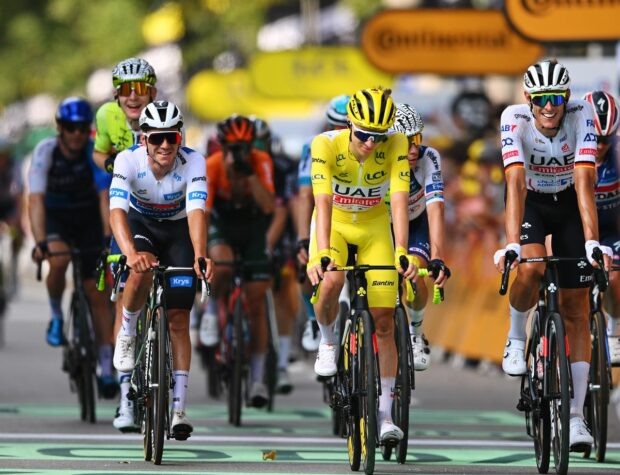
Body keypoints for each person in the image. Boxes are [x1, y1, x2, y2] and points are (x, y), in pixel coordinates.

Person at [494, 60, 612, 451]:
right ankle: (515, 335)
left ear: (566, 97)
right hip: (530, 202)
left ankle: (576, 417)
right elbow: (514, 183)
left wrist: (592, 240)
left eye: (556, 98)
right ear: (529, 98)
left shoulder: (582, 116)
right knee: (530, 269)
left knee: (576, 306)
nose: (549, 107)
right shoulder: (513, 118)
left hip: (568, 203)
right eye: (541, 99)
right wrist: (512, 242)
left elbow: (584, 180)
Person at [306, 87, 416, 443]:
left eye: (378, 136)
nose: (371, 144)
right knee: (332, 280)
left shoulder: (396, 144)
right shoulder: (325, 144)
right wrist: (323, 252)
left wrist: (402, 250)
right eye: (364, 135)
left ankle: (384, 416)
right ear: (350, 125)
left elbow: (398, 200)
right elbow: (322, 203)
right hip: (334, 225)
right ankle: (326, 340)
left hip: (373, 228)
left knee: (384, 319)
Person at [109, 100, 212, 439]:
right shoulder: (127, 160)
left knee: (180, 317)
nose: (165, 145)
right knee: (139, 271)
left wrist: (200, 254)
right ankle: (128, 330)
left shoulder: (194, 160)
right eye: (157, 139)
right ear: (144, 140)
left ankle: (179, 408)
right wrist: (129, 253)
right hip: (140, 224)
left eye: (172, 137)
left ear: (180, 138)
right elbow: (117, 212)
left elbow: (197, 210)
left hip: (178, 229)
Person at [28, 97, 117, 397]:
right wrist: (40, 242)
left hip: (89, 219)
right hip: (56, 220)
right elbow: (35, 199)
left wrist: (107, 240)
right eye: (70, 128)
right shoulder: (46, 151)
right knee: (59, 259)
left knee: (98, 293)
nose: (77, 134)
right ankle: (56, 314)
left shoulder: (94, 152)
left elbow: (105, 198)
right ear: (60, 128)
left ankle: (106, 368)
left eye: (82, 128)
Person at [93, 56, 157, 432]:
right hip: (123, 211)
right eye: (126, 90)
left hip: (160, 212)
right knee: (122, 303)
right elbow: (98, 151)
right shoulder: (106, 116)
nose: (133, 97)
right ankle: (124, 401)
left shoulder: (164, 116)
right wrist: (110, 164)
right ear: (117, 93)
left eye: (141, 89)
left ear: (152, 91)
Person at [201, 114, 276, 407]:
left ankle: (257, 378)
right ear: (224, 146)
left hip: (252, 223)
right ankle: (210, 311)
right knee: (223, 263)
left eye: (244, 147)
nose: (239, 154)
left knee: (256, 301)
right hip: (222, 221)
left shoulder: (260, 162)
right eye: (233, 148)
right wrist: (202, 250)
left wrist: (250, 176)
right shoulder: (213, 165)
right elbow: (204, 214)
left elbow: (269, 206)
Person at [390, 104, 450, 371]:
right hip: (382, 227)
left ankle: (415, 333)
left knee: (416, 271)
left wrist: (437, 256)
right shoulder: (378, 161)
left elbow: (436, 207)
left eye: (418, 139)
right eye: (407, 142)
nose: (414, 149)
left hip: (416, 223)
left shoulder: (429, 158)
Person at [297, 94, 350, 352]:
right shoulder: (315, 146)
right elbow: (306, 196)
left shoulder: (364, 146)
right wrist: (303, 240)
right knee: (312, 265)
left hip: (359, 217)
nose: (342, 133)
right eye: (337, 127)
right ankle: (312, 318)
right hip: (324, 211)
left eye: (347, 127)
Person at [254, 117, 299, 394]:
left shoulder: (281, 167)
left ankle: (281, 363)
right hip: (244, 228)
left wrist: (267, 246)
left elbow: (283, 211)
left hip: (277, 231)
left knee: (281, 292)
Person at [582, 90, 620, 364]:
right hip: (579, 228)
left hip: (612, 228)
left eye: (607, 138)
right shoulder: (569, 151)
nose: (601, 144)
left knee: (616, 278)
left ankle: (614, 332)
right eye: (595, 138)